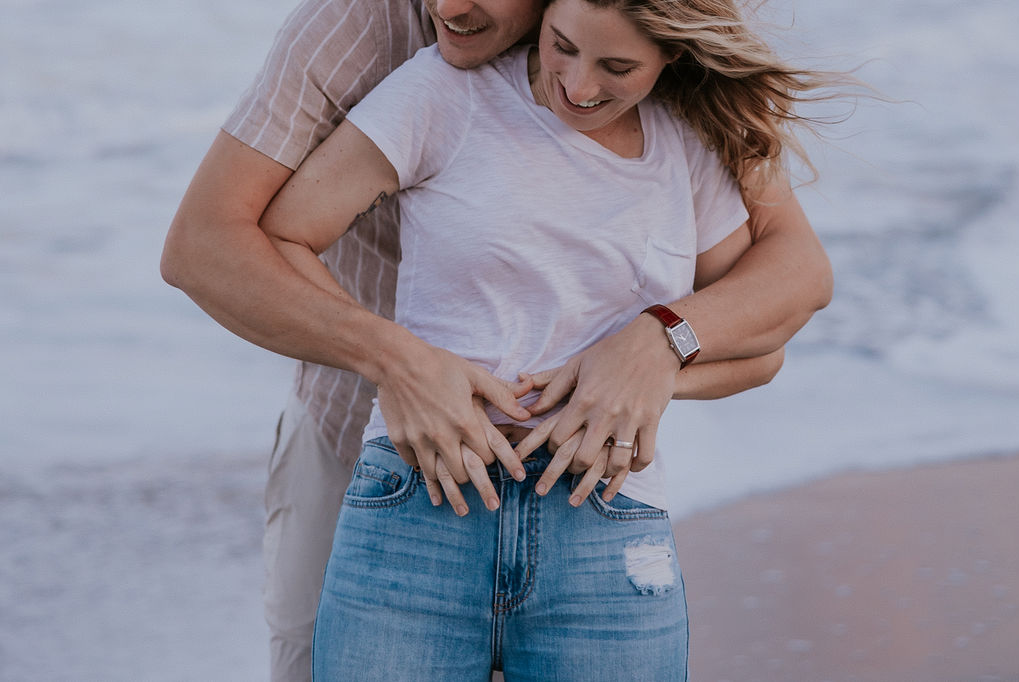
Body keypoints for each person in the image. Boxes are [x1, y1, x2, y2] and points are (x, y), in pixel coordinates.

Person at [161, 0, 831, 678]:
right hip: (384, 452)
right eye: (564, 49)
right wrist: (396, 359)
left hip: (594, 508)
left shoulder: (682, 128)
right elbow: (212, 246)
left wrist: (661, 346)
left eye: (615, 65)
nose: (579, 85)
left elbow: (781, 295)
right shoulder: (390, 52)